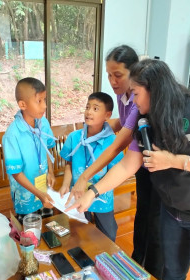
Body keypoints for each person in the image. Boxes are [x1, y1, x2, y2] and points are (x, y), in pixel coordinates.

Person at [66, 59, 190, 280]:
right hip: (173, 213)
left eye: (136, 93)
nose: (132, 99)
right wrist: (92, 192)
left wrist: (175, 161)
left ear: (155, 89)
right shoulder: (145, 120)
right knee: (170, 273)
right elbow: (126, 165)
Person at [65, 45, 163, 278]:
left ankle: (150, 270)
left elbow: (119, 144)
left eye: (117, 75)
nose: (112, 81)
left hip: (158, 166)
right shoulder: (123, 97)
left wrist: (86, 177)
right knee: (143, 216)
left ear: (135, 73)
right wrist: (108, 126)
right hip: (140, 163)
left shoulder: (143, 101)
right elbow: (126, 124)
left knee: (157, 226)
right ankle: (137, 264)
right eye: (108, 75)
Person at [59, 92, 124, 241]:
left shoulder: (112, 141)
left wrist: (95, 191)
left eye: (95, 109)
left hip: (103, 197)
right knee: (79, 233)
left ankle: (106, 261)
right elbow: (69, 163)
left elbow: (115, 171)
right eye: (87, 107)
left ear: (107, 115)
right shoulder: (74, 137)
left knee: (108, 235)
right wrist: (65, 184)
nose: (88, 112)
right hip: (78, 193)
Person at [2, 77, 56, 224]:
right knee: (29, 236)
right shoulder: (12, 135)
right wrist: (38, 193)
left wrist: (50, 172)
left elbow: (47, 148)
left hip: (43, 191)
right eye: (39, 101)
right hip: (25, 196)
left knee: (47, 228)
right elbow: (16, 173)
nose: (44, 106)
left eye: (45, 100)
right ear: (22, 104)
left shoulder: (43, 123)